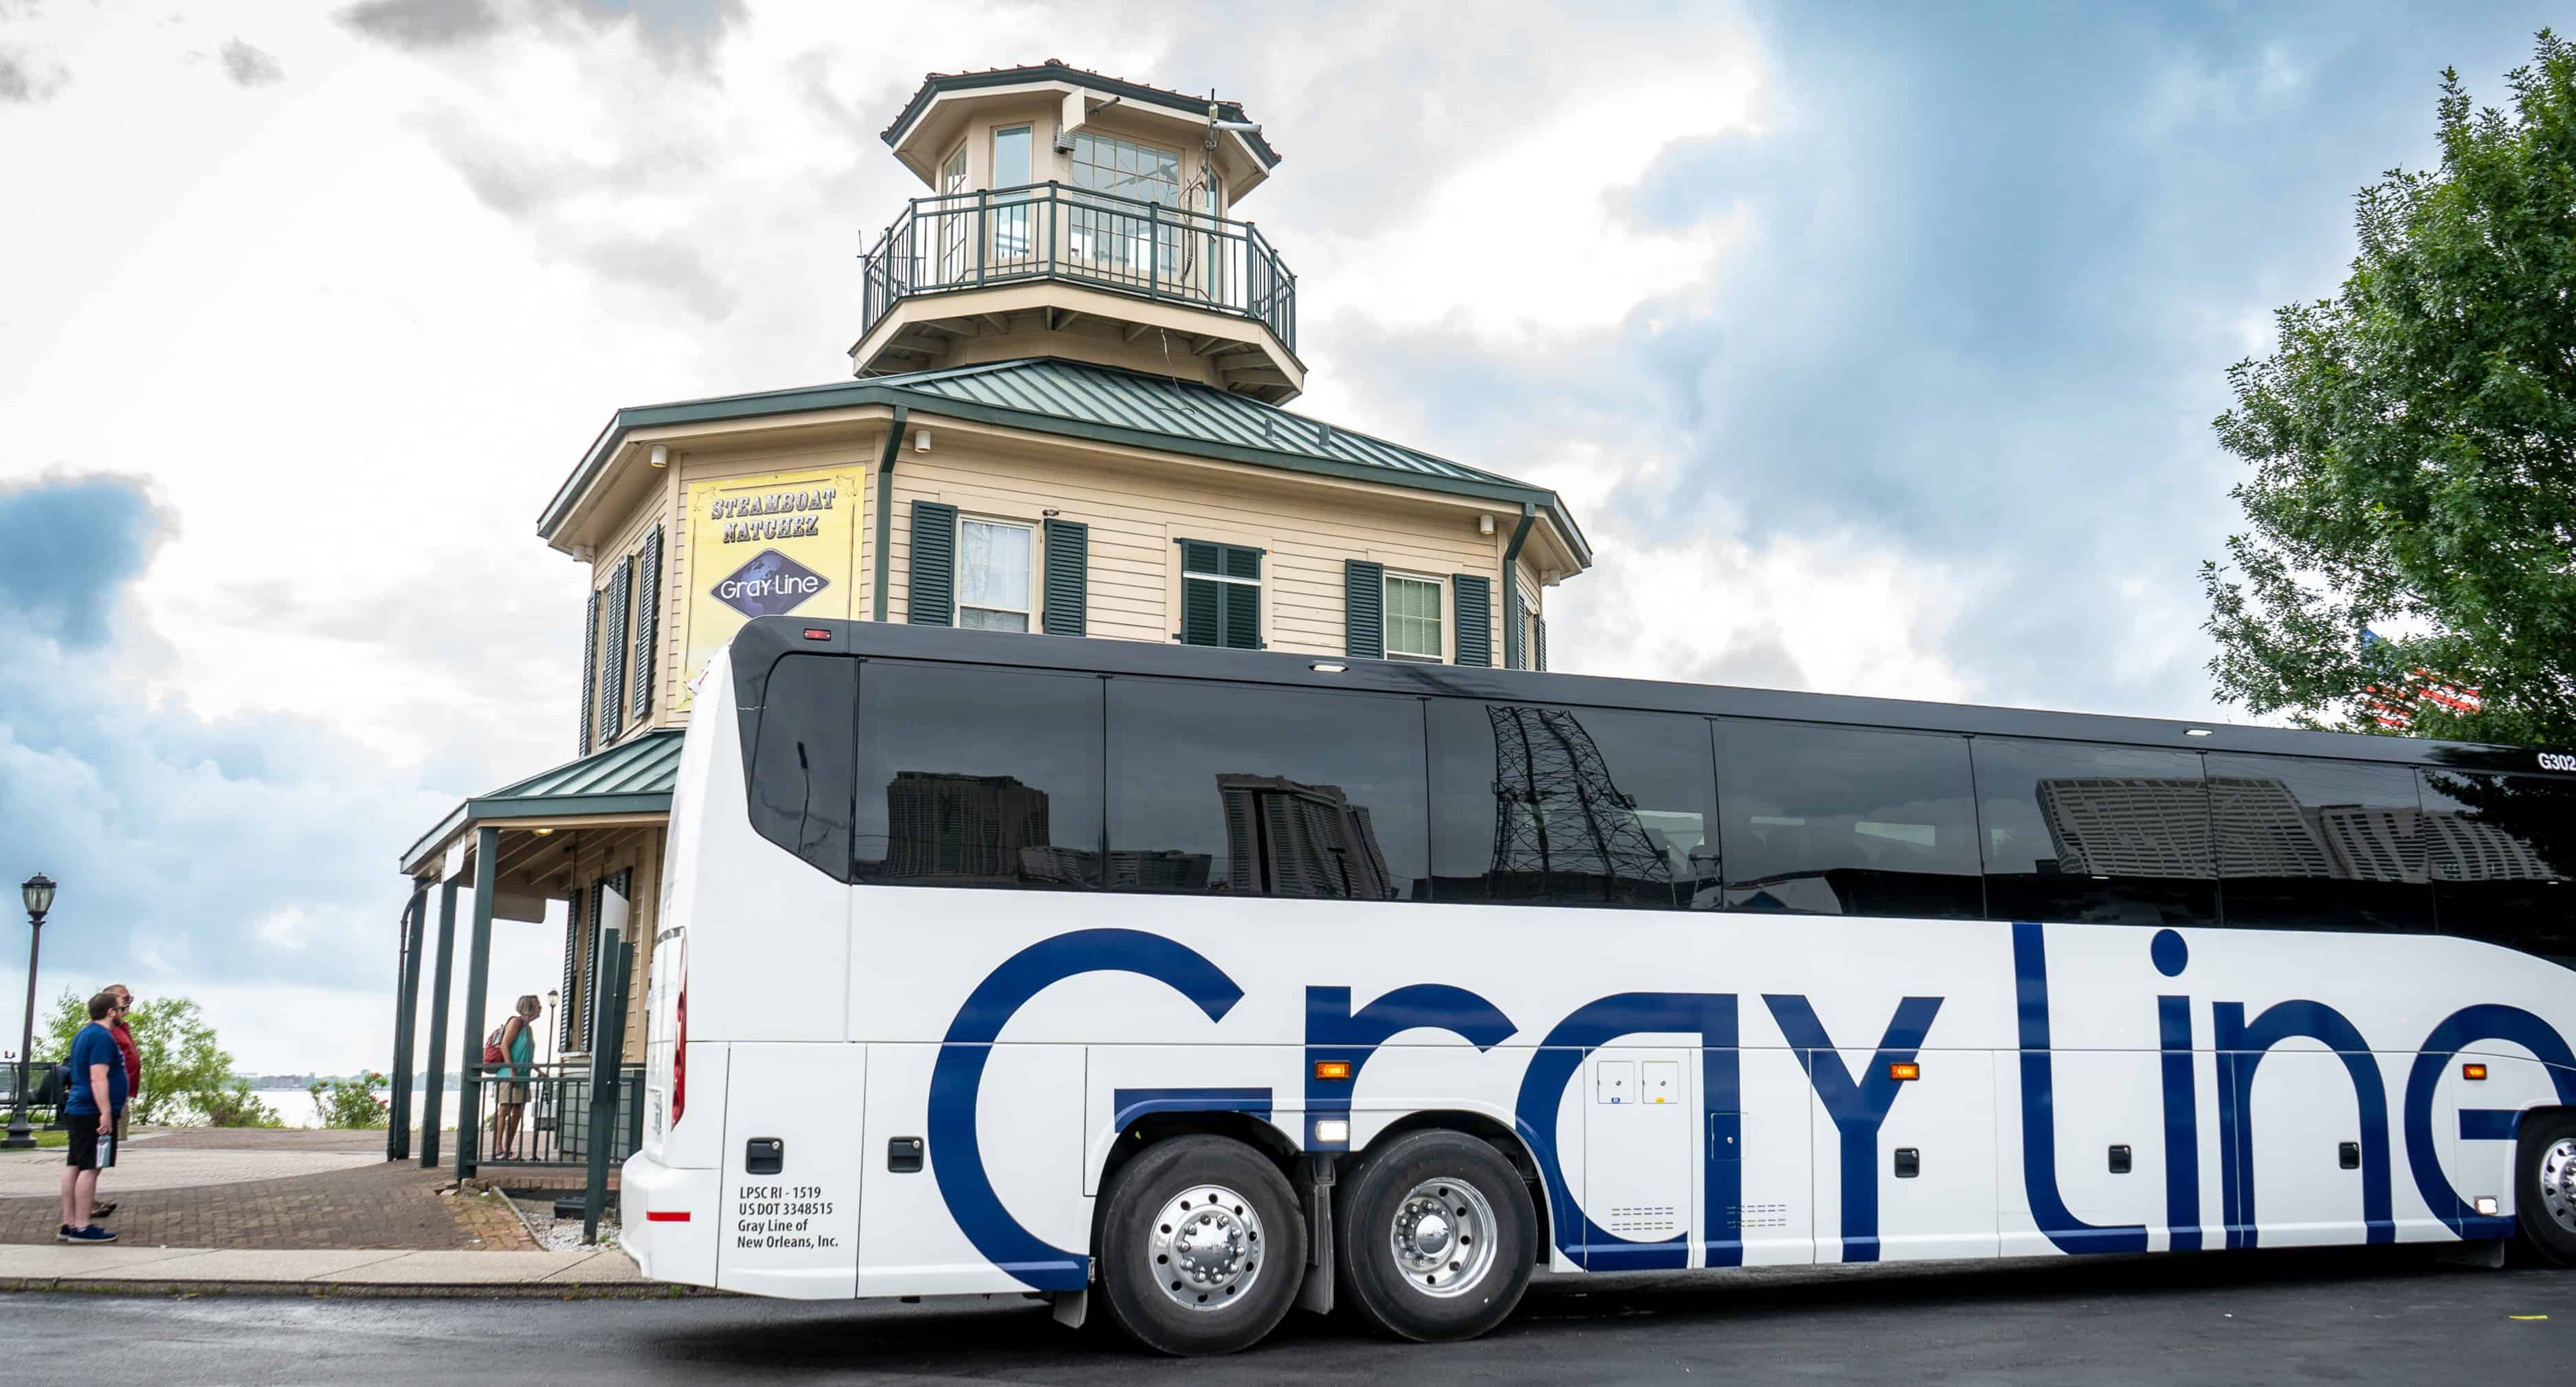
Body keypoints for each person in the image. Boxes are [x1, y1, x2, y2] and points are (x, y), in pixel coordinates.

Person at [58, 991, 129, 1244]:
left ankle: (69, 1223)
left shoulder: (84, 1033)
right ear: (111, 1012)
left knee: (75, 1165)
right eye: (123, 1007)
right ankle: (82, 1226)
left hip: (79, 1108)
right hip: (91, 1111)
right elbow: (98, 1077)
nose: (125, 1012)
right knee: (91, 1167)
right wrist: (106, 1112)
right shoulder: (101, 1037)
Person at [91, 984, 140, 1221]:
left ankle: (88, 1198)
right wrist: (105, 1108)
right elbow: (98, 1073)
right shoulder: (104, 1033)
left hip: (117, 1098)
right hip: (106, 1101)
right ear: (110, 1006)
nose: (128, 1003)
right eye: (124, 999)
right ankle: (85, 1204)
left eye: (129, 998)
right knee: (94, 1155)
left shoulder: (119, 1028)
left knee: (101, 1155)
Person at [491, 995, 541, 1159]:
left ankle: (508, 1149)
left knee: (518, 1111)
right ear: (530, 1007)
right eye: (538, 1004)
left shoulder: (528, 1028)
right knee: (504, 1109)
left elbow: (525, 1054)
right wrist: (512, 1069)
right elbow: (504, 1045)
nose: (541, 1007)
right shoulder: (516, 1023)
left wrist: (538, 1070)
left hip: (523, 1076)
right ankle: (498, 1149)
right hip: (509, 1074)